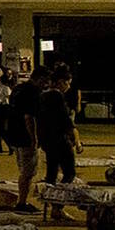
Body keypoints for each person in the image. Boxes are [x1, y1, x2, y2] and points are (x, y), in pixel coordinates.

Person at [36, 64, 82, 218]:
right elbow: (65, 121)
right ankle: (57, 206)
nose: (68, 87)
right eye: (67, 83)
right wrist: (76, 140)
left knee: (52, 173)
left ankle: (49, 207)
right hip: (60, 140)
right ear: (61, 82)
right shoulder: (57, 96)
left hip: (47, 140)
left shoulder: (43, 95)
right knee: (69, 173)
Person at [6, 63, 46, 213]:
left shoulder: (18, 89)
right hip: (25, 137)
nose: (45, 85)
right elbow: (29, 117)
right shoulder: (33, 92)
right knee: (28, 173)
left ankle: (22, 202)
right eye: (44, 81)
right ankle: (22, 203)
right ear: (39, 79)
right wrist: (34, 139)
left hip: (15, 135)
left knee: (23, 170)